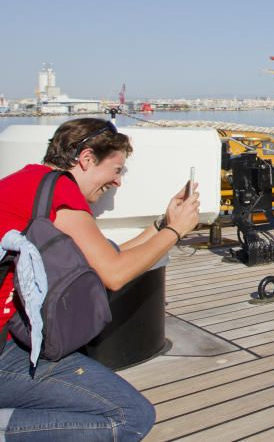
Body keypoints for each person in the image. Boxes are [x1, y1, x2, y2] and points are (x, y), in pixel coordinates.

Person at [0, 118, 202, 440]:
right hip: (4, 352)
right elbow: (115, 274)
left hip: (9, 337)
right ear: (87, 158)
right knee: (131, 416)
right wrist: (177, 231)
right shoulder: (60, 190)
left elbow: (107, 256)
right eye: (117, 169)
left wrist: (163, 224)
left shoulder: (33, 182)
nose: (118, 182)